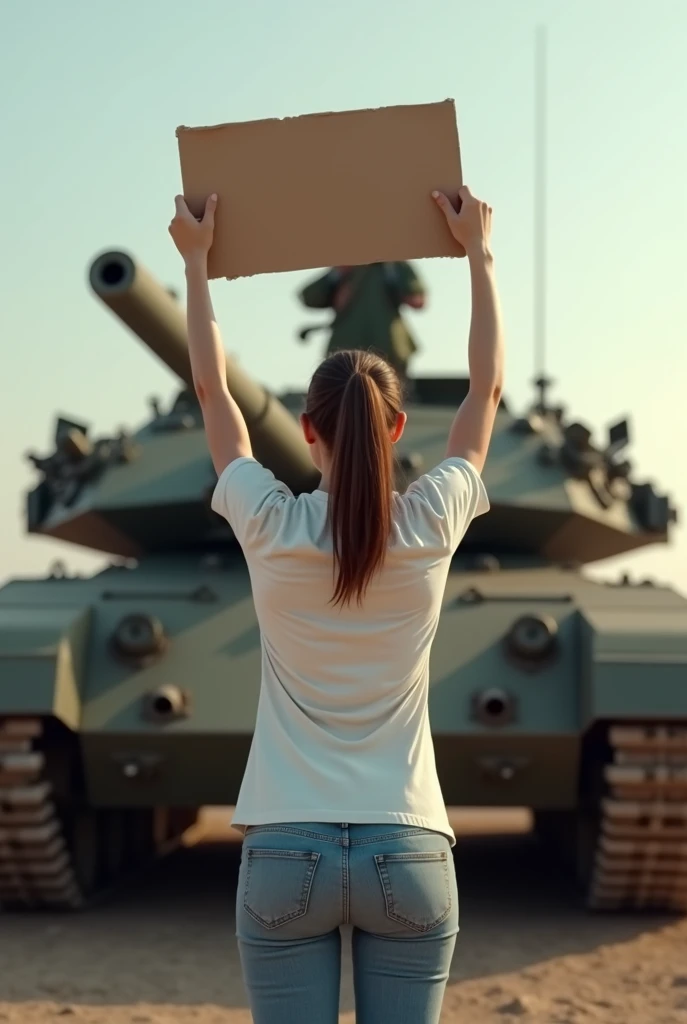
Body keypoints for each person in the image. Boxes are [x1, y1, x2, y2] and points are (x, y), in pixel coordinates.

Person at [168, 184, 503, 1024]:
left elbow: (216, 399)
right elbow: (483, 395)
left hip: (286, 849)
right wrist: (478, 253)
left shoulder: (271, 525)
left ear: (308, 431)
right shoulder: (431, 519)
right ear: (395, 431)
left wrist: (196, 262)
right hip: (411, 848)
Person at [297, 261, 426, 382]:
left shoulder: (394, 266)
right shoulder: (347, 267)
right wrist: (336, 274)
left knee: (388, 396)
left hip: (388, 349)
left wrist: (394, 281)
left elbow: (418, 300)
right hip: (347, 351)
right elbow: (308, 297)